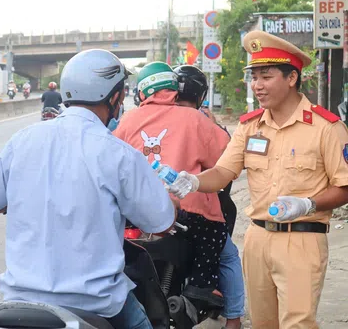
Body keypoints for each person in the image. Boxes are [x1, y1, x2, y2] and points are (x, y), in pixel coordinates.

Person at [0, 49, 178, 329]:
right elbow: (161, 222)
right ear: (115, 98)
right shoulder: (118, 154)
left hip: (20, 299)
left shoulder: (22, 140)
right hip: (96, 303)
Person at [177, 30, 348, 328]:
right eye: (254, 77)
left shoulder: (326, 128)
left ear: (291, 78)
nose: (257, 85)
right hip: (257, 240)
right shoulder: (249, 127)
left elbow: (345, 186)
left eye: (266, 77)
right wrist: (193, 182)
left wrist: (308, 204)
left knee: (297, 323)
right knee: (263, 324)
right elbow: (222, 173)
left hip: (302, 239)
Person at [113, 61, 229, 299]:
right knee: (215, 231)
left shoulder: (129, 119)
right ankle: (202, 284)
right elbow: (225, 156)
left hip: (136, 211)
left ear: (141, 91)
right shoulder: (193, 118)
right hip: (187, 211)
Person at [174, 64, 244, 329]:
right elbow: (227, 160)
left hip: (147, 208)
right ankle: (233, 318)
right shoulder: (199, 120)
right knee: (228, 256)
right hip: (193, 208)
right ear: (200, 94)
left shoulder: (145, 115)